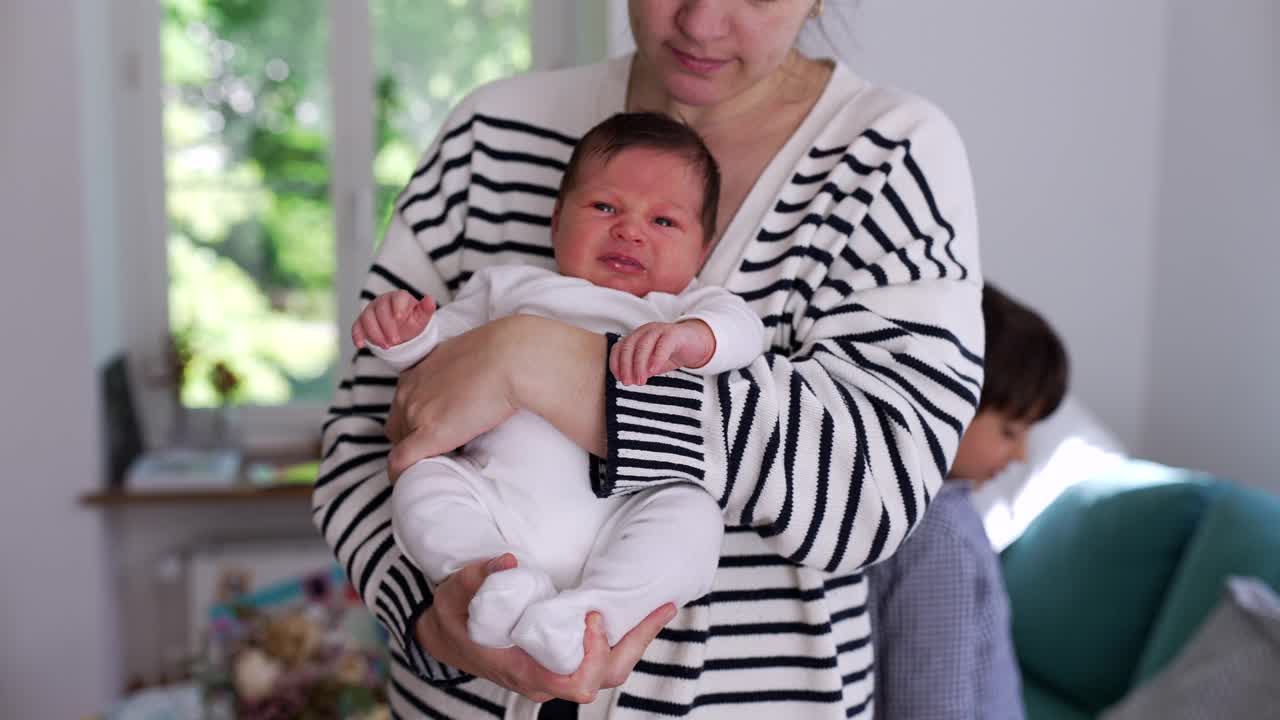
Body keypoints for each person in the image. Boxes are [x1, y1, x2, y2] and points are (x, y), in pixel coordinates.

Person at [314, 1, 984, 717]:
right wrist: (434, 622)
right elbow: (360, 441)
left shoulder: (888, 157)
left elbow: (874, 491)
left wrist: (541, 363)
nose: (699, 22)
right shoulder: (491, 136)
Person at [351, 112, 766, 677]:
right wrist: (405, 337)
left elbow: (744, 331)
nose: (630, 230)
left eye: (665, 221)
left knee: (694, 515)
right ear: (555, 219)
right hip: (497, 505)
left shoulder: (677, 309)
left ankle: (590, 614)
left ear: (702, 250)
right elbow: (433, 365)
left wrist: (696, 338)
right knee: (423, 481)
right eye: (604, 208)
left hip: (625, 515)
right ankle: (493, 584)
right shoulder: (506, 288)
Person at [866, 283, 1068, 720]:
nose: (1020, 455)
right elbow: (931, 707)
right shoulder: (939, 534)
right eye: (1010, 432)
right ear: (947, 398)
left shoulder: (898, 505)